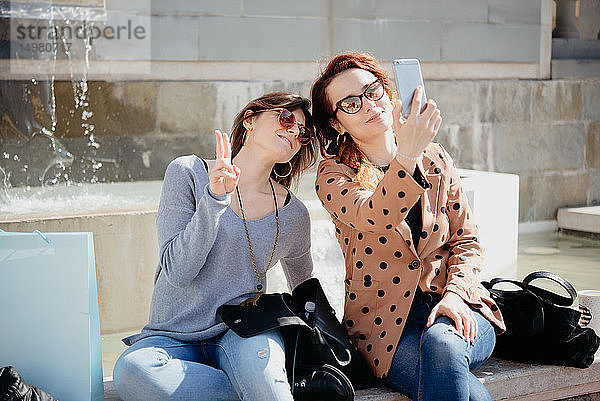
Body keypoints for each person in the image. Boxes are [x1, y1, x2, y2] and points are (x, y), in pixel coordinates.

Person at [310, 52, 506, 401]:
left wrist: (456, 296)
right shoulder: (334, 175)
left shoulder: (436, 157)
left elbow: (468, 240)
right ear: (337, 123)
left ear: (387, 91)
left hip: (458, 306)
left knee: (443, 345)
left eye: (373, 91)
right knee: (456, 385)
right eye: (351, 103)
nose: (369, 104)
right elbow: (376, 216)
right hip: (384, 329)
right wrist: (408, 156)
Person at [112, 92, 317, 401]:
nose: (293, 132)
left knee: (263, 375)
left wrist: (334, 342)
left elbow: (306, 290)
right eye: (286, 119)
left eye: (302, 132)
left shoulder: (293, 214)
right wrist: (215, 199)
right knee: (133, 371)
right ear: (250, 119)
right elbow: (178, 272)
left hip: (244, 330)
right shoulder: (187, 173)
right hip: (171, 336)